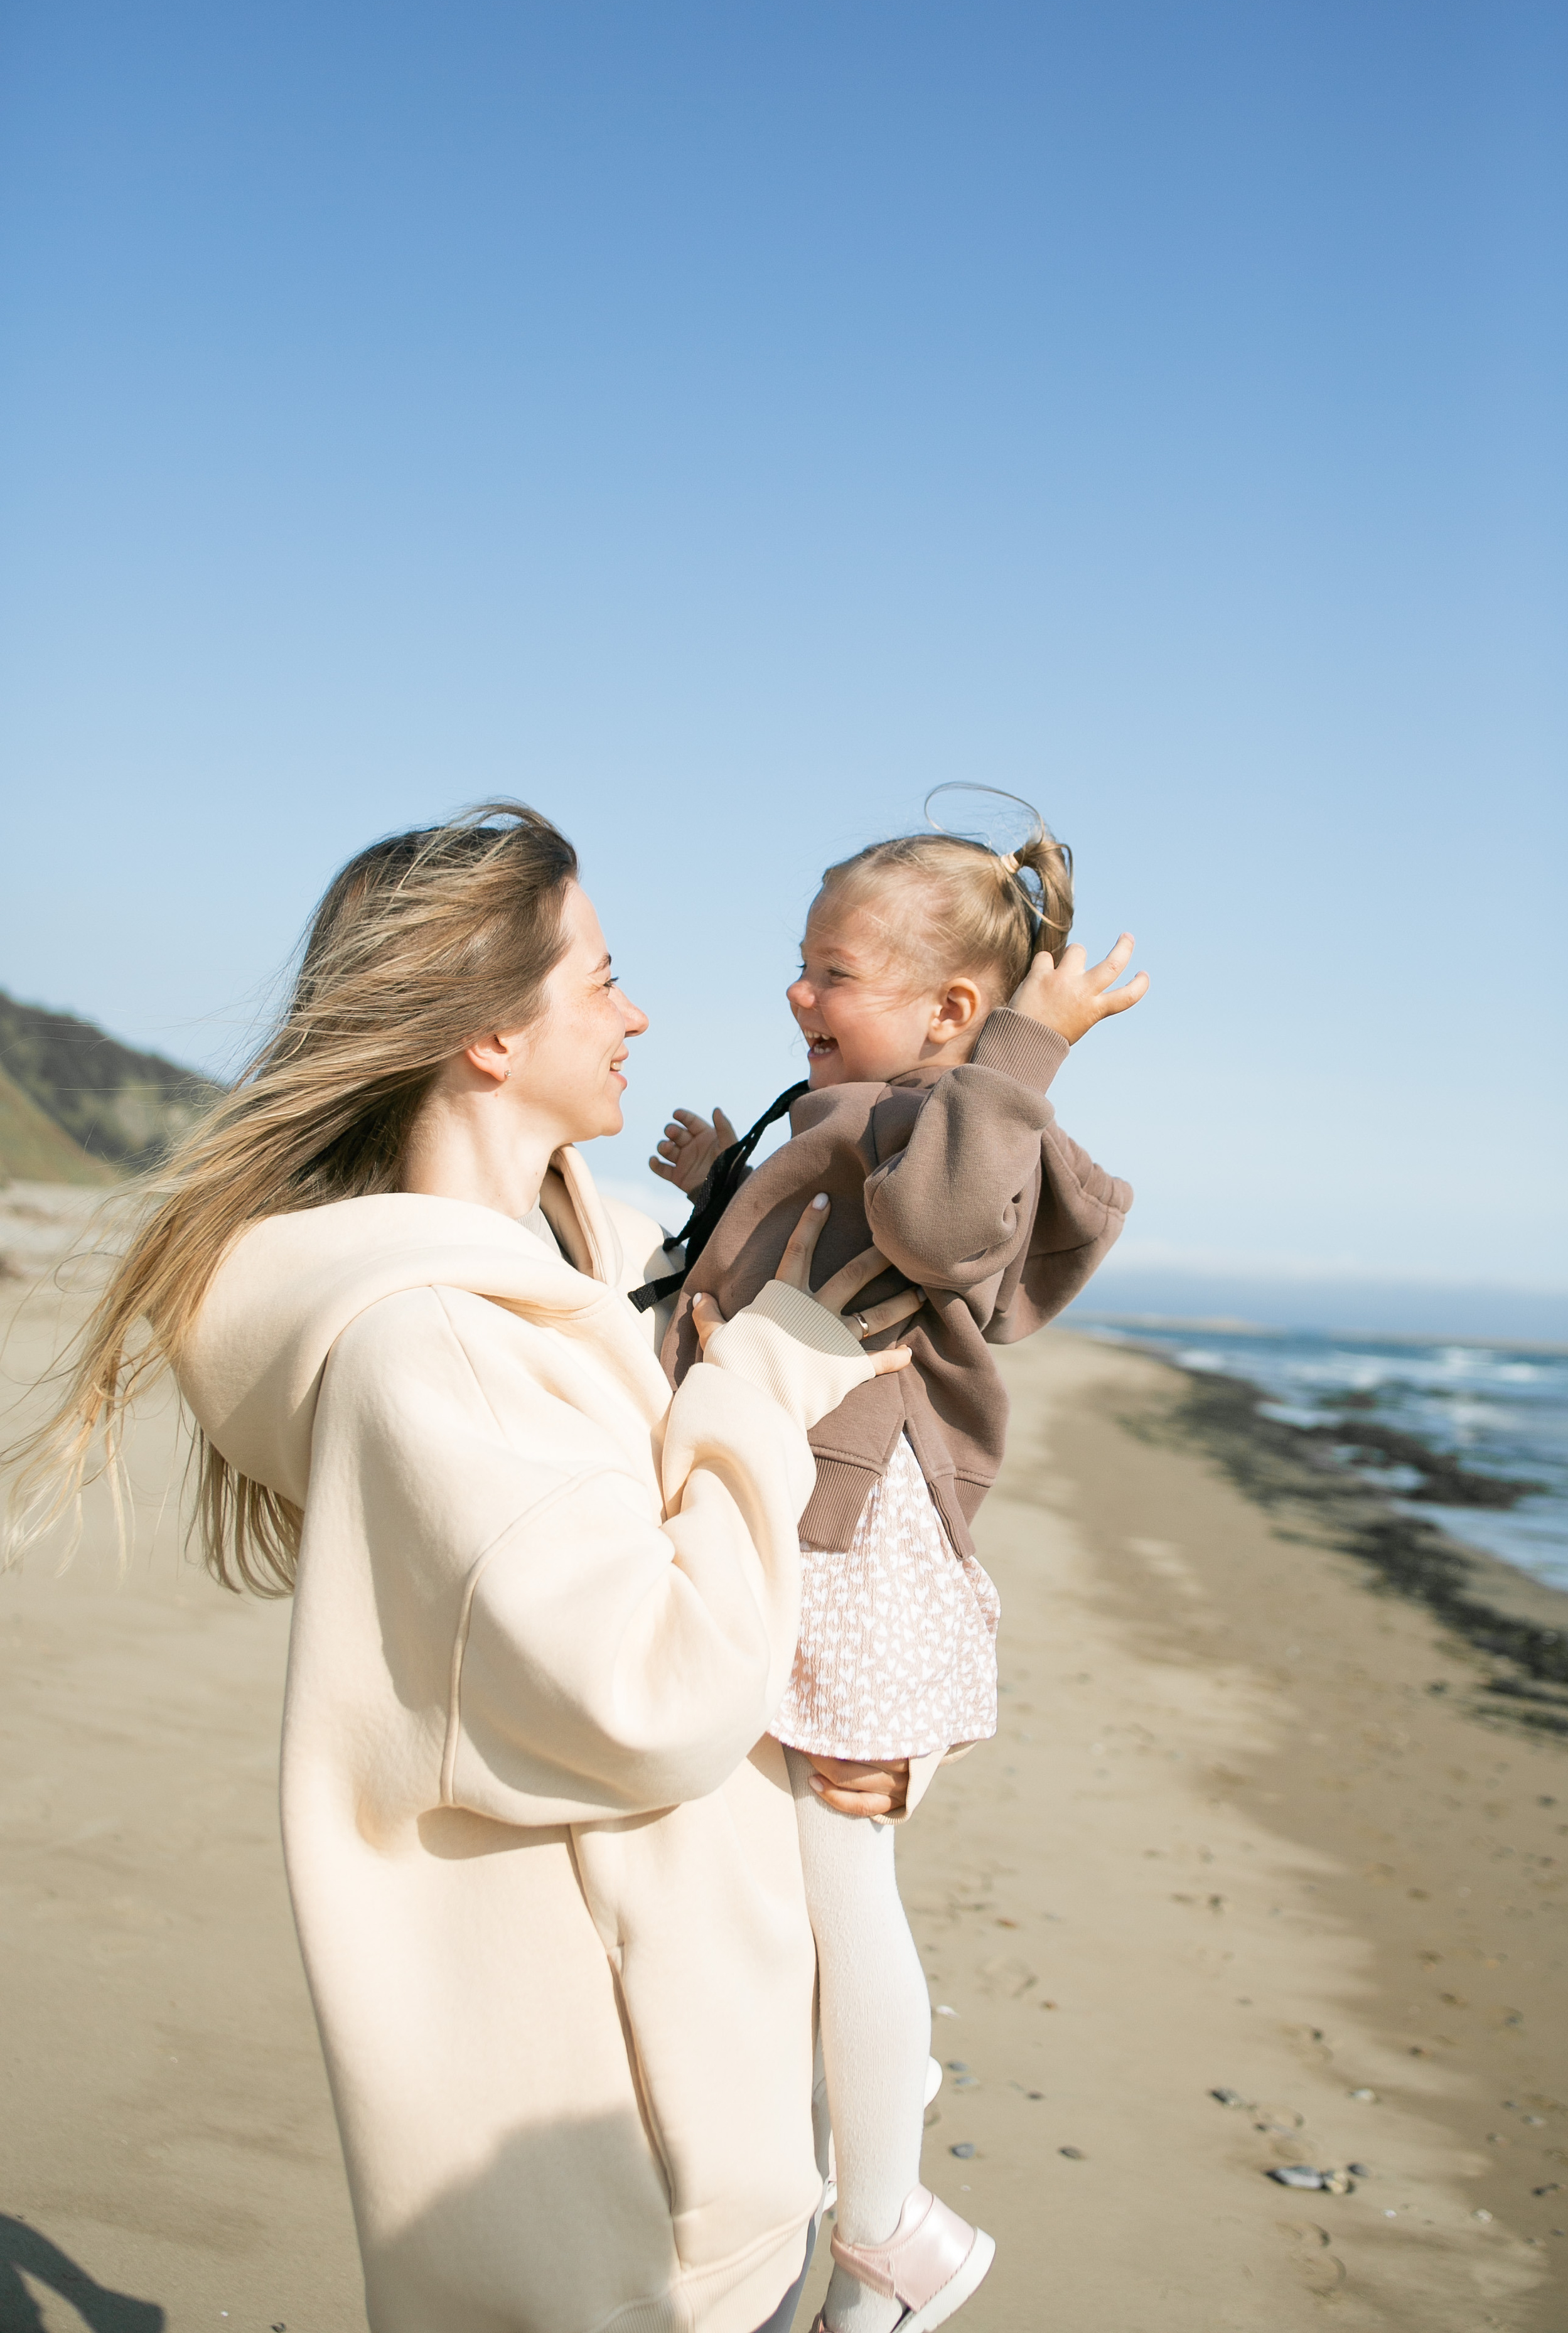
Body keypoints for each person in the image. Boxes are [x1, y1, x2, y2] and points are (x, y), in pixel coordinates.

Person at [4, 802, 920, 2333]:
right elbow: (652, 1694)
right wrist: (773, 1374)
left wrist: (862, 1742)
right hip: (622, 2207)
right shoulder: (432, 1347)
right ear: (491, 1035)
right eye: (602, 977)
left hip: (716, 2117)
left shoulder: (591, 1257)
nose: (637, 1013)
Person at [650, 794, 1144, 2333]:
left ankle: (889, 2231)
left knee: (836, 1876)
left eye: (833, 972)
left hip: (856, 1542)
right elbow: (804, 1269)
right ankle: (861, 2216)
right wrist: (705, 1196)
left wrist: (1023, 1054)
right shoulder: (856, 1120)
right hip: (802, 1520)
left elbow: (933, 1238)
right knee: (791, 1896)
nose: (798, 995)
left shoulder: (968, 1131)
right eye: (800, 965)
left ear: (945, 1012)